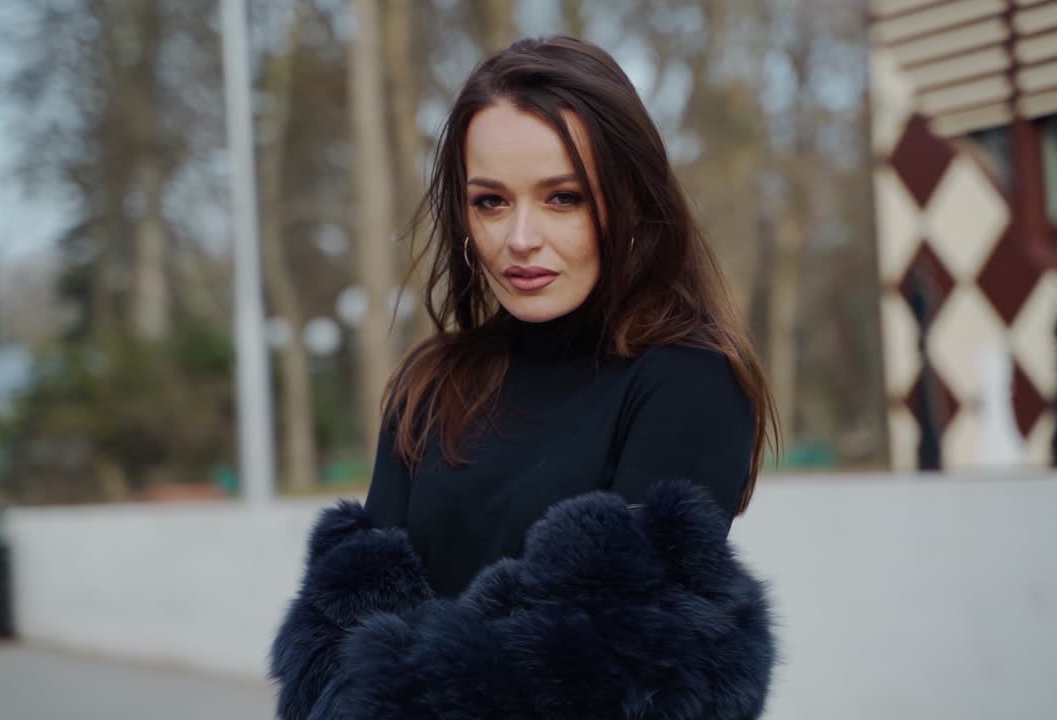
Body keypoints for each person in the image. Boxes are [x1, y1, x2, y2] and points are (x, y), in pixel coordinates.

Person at [272, 36, 778, 720]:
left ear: (628, 198)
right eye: (491, 202)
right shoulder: (435, 384)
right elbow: (335, 635)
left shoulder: (688, 383)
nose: (520, 238)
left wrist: (382, 690)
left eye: (562, 198)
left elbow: (609, 671)